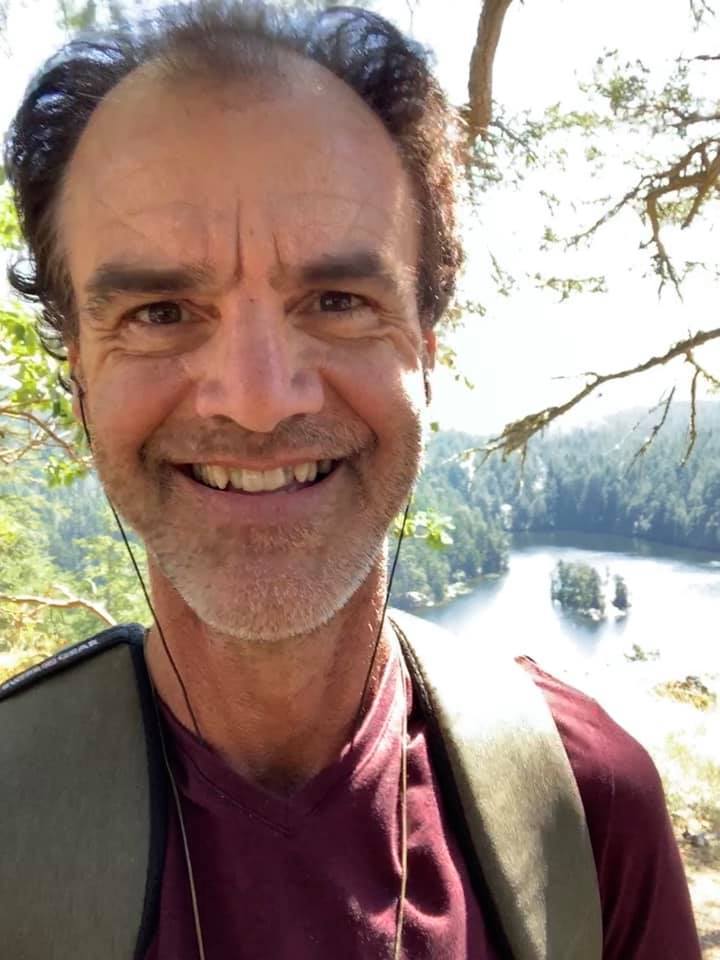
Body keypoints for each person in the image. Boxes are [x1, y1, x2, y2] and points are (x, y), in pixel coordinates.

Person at [0, 3, 702, 958]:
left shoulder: (584, 807)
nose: (257, 401)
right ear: (80, 375)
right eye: (160, 311)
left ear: (426, 350)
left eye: (337, 300)